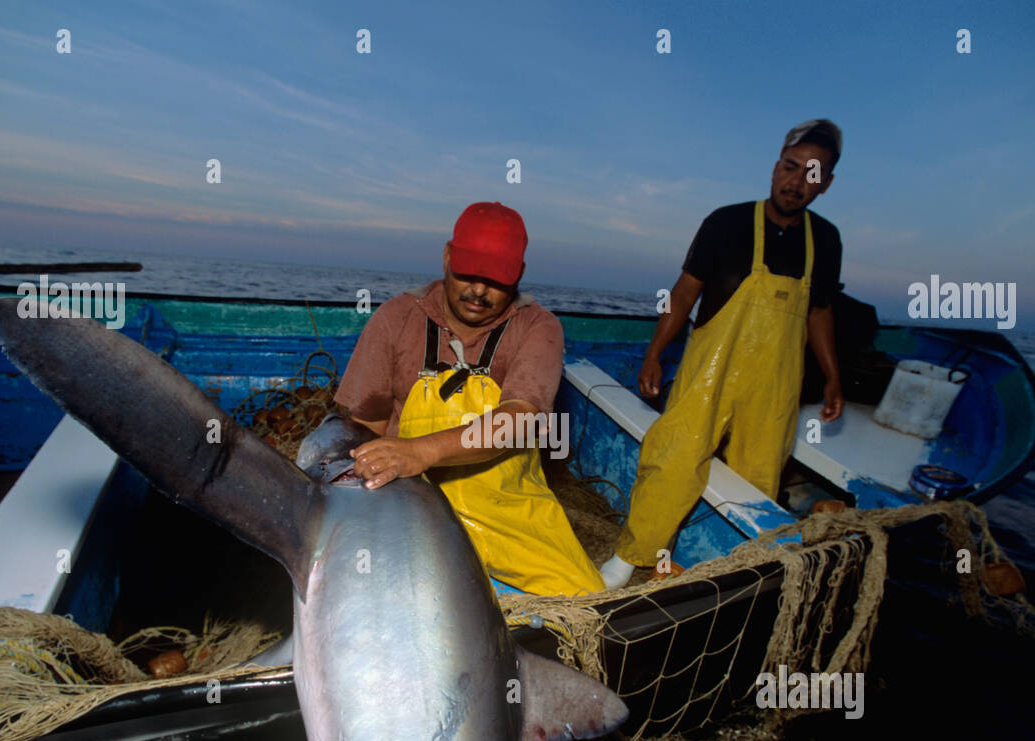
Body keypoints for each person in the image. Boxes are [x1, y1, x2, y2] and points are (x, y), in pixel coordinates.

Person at [599, 119, 846, 589]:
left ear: (826, 184)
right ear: (776, 167)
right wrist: (654, 353)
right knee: (673, 457)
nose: (796, 182)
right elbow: (684, 292)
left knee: (758, 477)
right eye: (790, 167)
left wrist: (833, 376)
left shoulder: (826, 241)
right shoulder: (724, 223)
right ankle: (628, 559)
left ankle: (737, 571)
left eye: (811, 174)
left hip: (774, 384)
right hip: (708, 373)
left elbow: (820, 312)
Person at [334, 202, 605, 596]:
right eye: (469, 274)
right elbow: (362, 430)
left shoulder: (537, 327)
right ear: (447, 256)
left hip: (509, 511)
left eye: (495, 279)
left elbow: (519, 418)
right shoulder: (397, 318)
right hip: (411, 505)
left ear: (520, 275)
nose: (479, 291)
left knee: (586, 604)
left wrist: (422, 451)